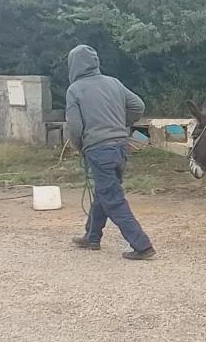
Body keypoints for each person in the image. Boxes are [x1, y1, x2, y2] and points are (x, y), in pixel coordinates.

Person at [65, 44, 156, 260]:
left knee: (112, 198)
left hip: (98, 150)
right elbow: (138, 106)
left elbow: (75, 128)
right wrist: (120, 123)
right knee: (104, 192)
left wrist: (80, 147)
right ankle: (92, 236)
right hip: (120, 148)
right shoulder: (113, 82)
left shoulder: (75, 90)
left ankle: (142, 245)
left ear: (73, 65)